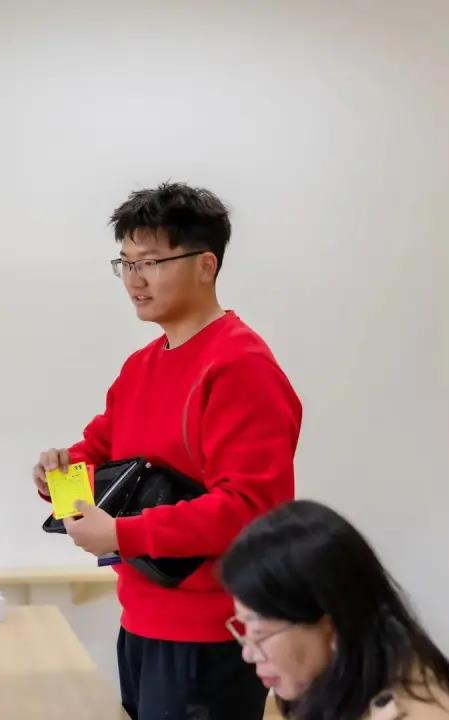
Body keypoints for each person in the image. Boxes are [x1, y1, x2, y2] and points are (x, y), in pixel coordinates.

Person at [32, 182, 303, 719]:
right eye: (126, 263)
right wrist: (56, 478)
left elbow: (251, 510)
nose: (135, 279)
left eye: (152, 262)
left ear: (206, 265)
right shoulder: (141, 366)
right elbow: (97, 455)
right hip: (139, 621)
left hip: (212, 637)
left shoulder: (240, 367)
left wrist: (122, 534)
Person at [219, 500, 449, 720]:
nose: (248, 654)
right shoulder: (350, 677)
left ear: (334, 627)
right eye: (243, 628)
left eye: (260, 634)